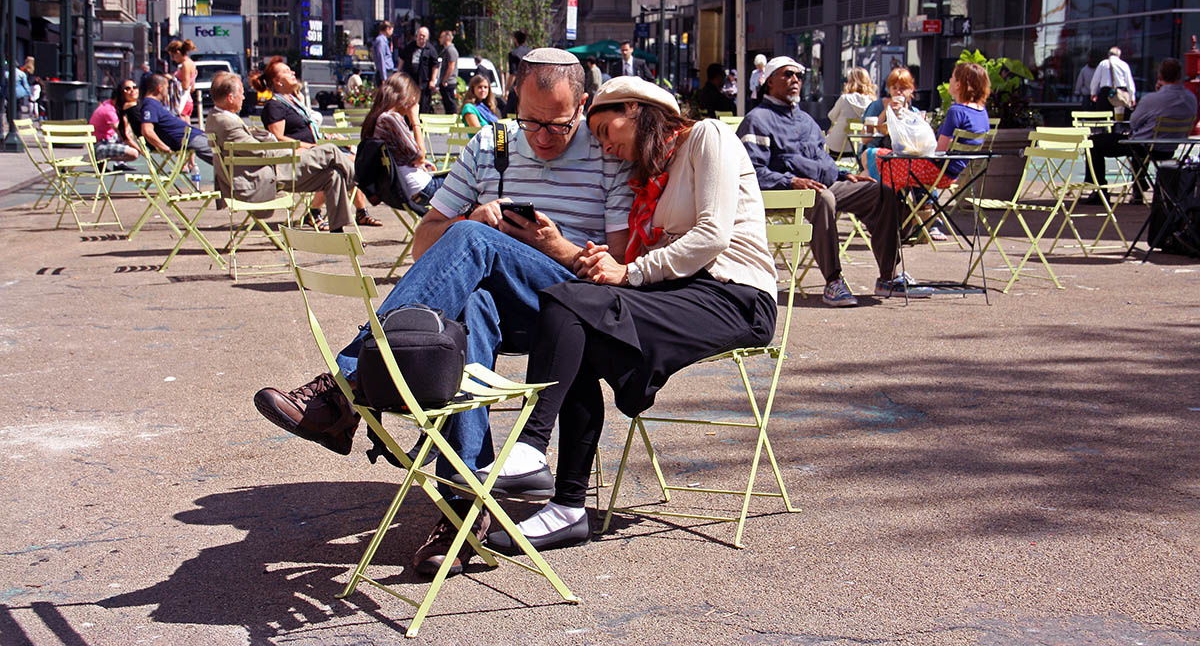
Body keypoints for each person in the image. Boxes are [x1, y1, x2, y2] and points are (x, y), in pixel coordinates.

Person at [252, 47, 633, 577]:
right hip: (504, 305)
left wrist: (555, 246)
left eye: (558, 124)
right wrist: (473, 217)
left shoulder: (608, 155)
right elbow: (423, 243)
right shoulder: (491, 145)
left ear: (583, 105)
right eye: (530, 120)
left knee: (472, 240)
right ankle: (463, 511)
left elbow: (618, 263)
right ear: (513, 102)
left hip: (571, 302)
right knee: (471, 304)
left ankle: (345, 385)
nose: (542, 136)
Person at [480, 76, 778, 553]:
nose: (605, 146)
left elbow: (713, 236)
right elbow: (650, 254)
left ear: (637, 110)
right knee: (567, 310)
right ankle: (567, 507)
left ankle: (532, 446)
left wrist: (630, 273)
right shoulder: (654, 174)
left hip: (735, 295)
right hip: (684, 293)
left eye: (604, 131)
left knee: (572, 305)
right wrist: (602, 262)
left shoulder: (708, 137)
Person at [737, 57, 929, 308]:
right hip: (781, 192)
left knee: (879, 191)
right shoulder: (757, 119)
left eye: (799, 75)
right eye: (787, 74)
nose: (795, 79)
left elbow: (821, 161)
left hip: (821, 186)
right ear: (769, 81)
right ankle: (833, 281)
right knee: (824, 198)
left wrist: (843, 174)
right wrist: (791, 181)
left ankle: (888, 277)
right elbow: (752, 171)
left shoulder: (805, 120)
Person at [205, 71, 357, 232]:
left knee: (333, 175)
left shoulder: (216, 117)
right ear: (230, 98)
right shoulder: (227, 122)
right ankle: (366, 184)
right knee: (330, 151)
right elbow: (261, 152)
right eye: (241, 94)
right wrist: (294, 152)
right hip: (259, 178)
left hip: (260, 172)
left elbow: (254, 149)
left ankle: (338, 232)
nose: (243, 98)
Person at [250, 58, 382, 229]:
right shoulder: (274, 106)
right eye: (287, 71)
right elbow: (278, 138)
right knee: (342, 166)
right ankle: (317, 212)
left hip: (316, 150)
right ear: (277, 81)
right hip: (301, 157)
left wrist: (328, 136)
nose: (293, 73)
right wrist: (308, 146)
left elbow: (310, 128)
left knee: (354, 158)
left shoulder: (293, 101)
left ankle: (360, 211)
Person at [1085, 57, 1198, 204]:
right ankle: (1138, 189)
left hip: (1144, 146)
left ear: (1160, 76)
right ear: (1179, 76)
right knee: (1142, 142)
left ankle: (1099, 191)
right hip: (1170, 148)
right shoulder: (1191, 99)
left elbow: (1134, 122)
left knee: (1093, 143)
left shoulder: (1152, 99)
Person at [861, 62, 991, 189]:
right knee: (879, 167)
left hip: (933, 172)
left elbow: (939, 153)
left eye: (952, 77)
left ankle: (861, 204)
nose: (949, 80)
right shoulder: (982, 113)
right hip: (953, 175)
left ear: (958, 84)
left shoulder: (957, 111)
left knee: (871, 155)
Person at [362, 73, 446, 213]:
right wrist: (415, 120)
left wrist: (418, 163)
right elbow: (420, 156)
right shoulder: (391, 118)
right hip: (418, 189)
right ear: (406, 96)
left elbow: (408, 157)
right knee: (469, 185)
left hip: (394, 190)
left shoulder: (375, 119)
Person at [138, 73, 214, 163]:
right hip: (186, 139)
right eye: (166, 88)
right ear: (159, 88)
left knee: (221, 146)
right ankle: (231, 173)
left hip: (192, 135)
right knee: (218, 153)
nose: (167, 91)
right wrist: (164, 147)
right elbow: (147, 130)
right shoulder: (150, 105)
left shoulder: (154, 104)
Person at [825, 67, 877, 157]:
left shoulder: (845, 99)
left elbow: (832, 116)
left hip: (837, 146)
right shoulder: (872, 103)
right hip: (859, 148)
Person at [89, 81, 141, 168]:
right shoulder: (109, 111)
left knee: (129, 132)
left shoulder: (112, 105)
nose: (131, 92)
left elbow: (126, 130)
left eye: (135, 87)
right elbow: (124, 136)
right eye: (127, 90)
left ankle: (119, 163)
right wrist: (142, 152)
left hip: (107, 139)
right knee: (134, 153)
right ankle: (98, 160)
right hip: (100, 145)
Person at [399, 26, 440, 116]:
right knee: (407, 103)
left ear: (427, 38)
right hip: (410, 81)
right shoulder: (409, 47)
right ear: (416, 36)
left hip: (424, 83)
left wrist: (432, 80)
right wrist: (399, 73)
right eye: (420, 35)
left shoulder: (431, 50)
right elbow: (402, 59)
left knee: (423, 106)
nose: (421, 37)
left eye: (424, 36)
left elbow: (435, 65)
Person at [1090, 46, 1137, 118]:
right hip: (1120, 93)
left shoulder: (1103, 63)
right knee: (1119, 117)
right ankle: (1117, 128)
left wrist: (1093, 93)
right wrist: (1132, 97)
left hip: (1105, 92)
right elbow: (1129, 82)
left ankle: (1107, 129)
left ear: (1109, 54)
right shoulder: (1124, 65)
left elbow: (1095, 80)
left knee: (1105, 118)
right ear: (1119, 55)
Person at [167, 39, 198, 120]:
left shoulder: (185, 65)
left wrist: (172, 78)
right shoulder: (191, 63)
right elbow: (192, 87)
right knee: (187, 128)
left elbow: (185, 85)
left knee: (182, 127)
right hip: (188, 99)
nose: (173, 59)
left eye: (172, 56)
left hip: (182, 101)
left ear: (178, 52)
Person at [504, 30, 532, 115]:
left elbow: (513, 74)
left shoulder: (513, 54)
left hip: (518, 88)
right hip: (531, 87)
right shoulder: (531, 52)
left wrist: (507, 89)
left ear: (515, 39)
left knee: (507, 113)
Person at [437, 30, 459, 118]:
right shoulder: (446, 50)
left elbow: (451, 66)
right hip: (445, 81)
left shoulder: (451, 50)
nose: (439, 39)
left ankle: (452, 121)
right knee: (446, 104)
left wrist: (445, 80)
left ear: (447, 38)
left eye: (441, 37)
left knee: (450, 104)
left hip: (449, 82)